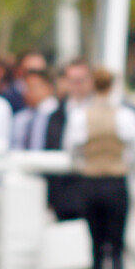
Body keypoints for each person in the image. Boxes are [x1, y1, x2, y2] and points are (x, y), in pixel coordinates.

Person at [63, 67, 135, 269]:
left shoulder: (80, 116)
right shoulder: (126, 116)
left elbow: (71, 150)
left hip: (90, 181)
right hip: (116, 181)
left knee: (96, 241)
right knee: (117, 239)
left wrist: (86, 163)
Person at [45, 59, 94, 220]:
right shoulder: (55, 115)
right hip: (63, 198)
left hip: (93, 194)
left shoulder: (102, 112)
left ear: (91, 81)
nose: (77, 85)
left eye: (81, 80)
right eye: (73, 81)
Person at [11, 68, 58, 150]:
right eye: (26, 87)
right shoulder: (21, 117)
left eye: (32, 87)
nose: (27, 91)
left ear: (49, 88)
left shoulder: (58, 115)